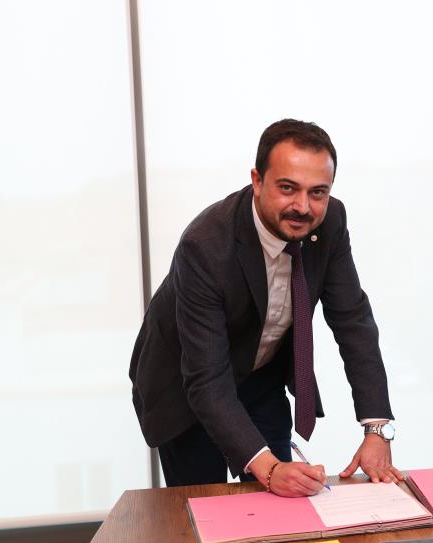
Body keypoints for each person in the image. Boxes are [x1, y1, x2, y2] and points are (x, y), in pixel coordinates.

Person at [129, 119, 403, 495]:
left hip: (260, 376)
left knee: (283, 500)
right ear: (257, 181)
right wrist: (269, 469)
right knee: (205, 506)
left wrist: (377, 430)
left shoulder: (330, 222)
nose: (303, 207)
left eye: (318, 192)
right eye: (288, 188)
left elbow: (352, 320)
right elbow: (206, 380)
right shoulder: (205, 245)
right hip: (185, 383)